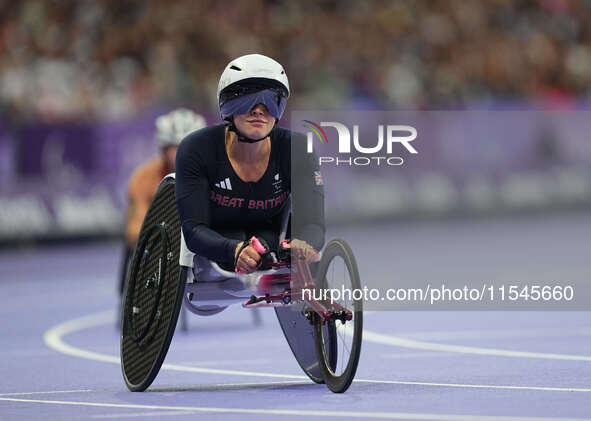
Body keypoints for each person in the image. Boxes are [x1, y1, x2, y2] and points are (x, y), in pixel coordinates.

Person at [175, 54, 324, 275]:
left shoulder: (299, 149)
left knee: (271, 249)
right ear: (227, 105)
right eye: (247, 98)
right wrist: (234, 250)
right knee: (238, 241)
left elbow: (313, 223)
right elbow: (193, 230)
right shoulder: (196, 148)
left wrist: (303, 244)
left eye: (271, 100)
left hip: (269, 236)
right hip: (219, 240)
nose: (259, 110)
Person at [118, 108, 207, 296]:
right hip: (162, 239)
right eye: (174, 146)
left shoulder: (212, 173)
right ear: (163, 148)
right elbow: (135, 230)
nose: (182, 150)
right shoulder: (143, 178)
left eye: (188, 143)